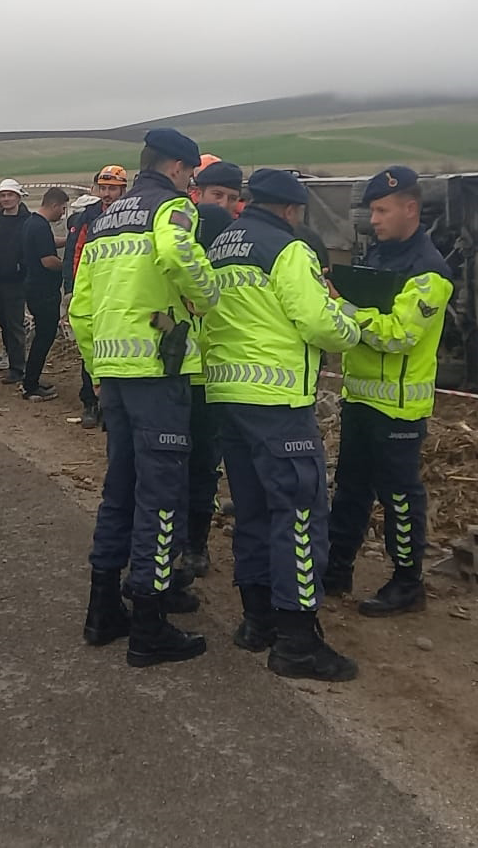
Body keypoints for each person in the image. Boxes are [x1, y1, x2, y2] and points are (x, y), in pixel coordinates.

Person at [199, 169, 364, 680]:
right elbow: (319, 323)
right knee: (298, 512)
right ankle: (296, 641)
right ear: (292, 210)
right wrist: (351, 323)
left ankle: (257, 620)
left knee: (250, 510)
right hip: (277, 402)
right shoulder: (288, 249)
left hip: (227, 395)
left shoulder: (221, 245)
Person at [68, 128, 219, 667]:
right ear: (178, 167)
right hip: (158, 369)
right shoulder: (172, 208)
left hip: (113, 369)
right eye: (191, 173)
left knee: (120, 491)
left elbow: (81, 307)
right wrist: (206, 301)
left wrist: (98, 367)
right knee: (159, 494)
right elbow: (179, 254)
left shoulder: (105, 217)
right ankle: (150, 623)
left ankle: (103, 608)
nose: (192, 181)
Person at [323, 165, 454, 618]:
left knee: (400, 496)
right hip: (361, 399)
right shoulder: (378, 257)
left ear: (410, 209)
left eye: (381, 210)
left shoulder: (429, 271)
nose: (373, 220)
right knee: (350, 489)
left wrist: (342, 309)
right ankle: (336, 569)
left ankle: (407, 582)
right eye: (372, 210)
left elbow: (399, 335)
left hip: (398, 409)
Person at [179, 197, 234, 580]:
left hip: (205, 382)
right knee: (193, 467)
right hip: (182, 378)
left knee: (199, 467)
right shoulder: (186, 274)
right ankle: (185, 545)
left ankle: (194, 545)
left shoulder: (223, 280)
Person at [62, 165, 128, 428]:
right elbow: (74, 253)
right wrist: (71, 289)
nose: (107, 194)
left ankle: (117, 404)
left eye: (112, 188)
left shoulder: (133, 215)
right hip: (92, 292)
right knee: (89, 348)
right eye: (103, 188)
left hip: (122, 291)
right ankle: (90, 402)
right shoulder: (88, 217)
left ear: (123, 189)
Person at [18, 186, 69, 401]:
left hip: (34, 287)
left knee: (42, 336)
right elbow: (47, 260)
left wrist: (70, 240)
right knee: (44, 337)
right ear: (54, 205)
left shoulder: (34, 223)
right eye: (63, 209)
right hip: (43, 291)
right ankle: (30, 384)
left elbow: (48, 244)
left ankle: (31, 379)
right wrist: (69, 267)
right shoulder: (39, 227)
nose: (63, 214)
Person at [0, 178, 29, 384]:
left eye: (9, 195)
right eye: (2, 195)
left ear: (18, 197)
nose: (6, 199)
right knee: (1, 324)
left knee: (14, 325)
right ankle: (11, 362)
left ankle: (18, 368)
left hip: (16, 282)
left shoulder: (28, 221)